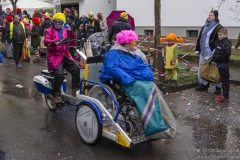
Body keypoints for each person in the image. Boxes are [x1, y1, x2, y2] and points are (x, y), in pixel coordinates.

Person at [99, 30, 177, 138]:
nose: (136, 44)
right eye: (134, 42)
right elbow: (112, 68)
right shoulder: (113, 53)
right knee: (145, 89)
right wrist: (129, 78)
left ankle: (166, 124)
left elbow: (144, 66)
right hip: (125, 82)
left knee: (153, 87)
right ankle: (155, 128)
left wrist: (145, 76)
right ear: (127, 44)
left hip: (135, 79)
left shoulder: (134, 53)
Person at [44, 13, 80, 103]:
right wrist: (53, 41)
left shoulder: (64, 30)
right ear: (53, 21)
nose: (58, 24)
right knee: (60, 75)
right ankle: (54, 94)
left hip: (65, 54)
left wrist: (70, 31)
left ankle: (75, 90)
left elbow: (71, 37)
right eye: (56, 21)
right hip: (54, 56)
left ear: (62, 22)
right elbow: (45, 41)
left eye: (60, 22)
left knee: (76, 69)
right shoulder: (49, 30)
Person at [195, 8, 223, 94]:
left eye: (211, 15)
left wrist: (216, 50)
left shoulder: (218, 27)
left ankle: (218, 87)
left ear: (215, 17)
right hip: (203, 51)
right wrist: (198, 49)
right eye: (209, 15)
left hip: (212, 51)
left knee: (215, 69)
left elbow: (219, 39)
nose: (209, 17)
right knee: (203, 68)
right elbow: (200, 38)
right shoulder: (205, 26)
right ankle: (204, 85)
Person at [211, 28, 231, 102]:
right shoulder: (220, 42)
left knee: (225, 80)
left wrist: (220, 58)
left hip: (224, 64)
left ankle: (226, 96)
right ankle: (225, 94)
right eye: (218, 35)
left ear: (225, 35)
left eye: (220, 35)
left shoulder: (226, 43)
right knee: (222, 80)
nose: (219, 36)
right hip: (219, 64)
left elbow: (227, 53)